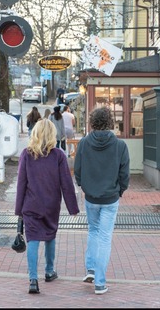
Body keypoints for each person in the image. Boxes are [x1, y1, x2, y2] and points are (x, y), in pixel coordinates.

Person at [14, 119, 80, 295]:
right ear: (52, 135)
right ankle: (49, 271)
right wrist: (73, 208)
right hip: (51, 205)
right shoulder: (58, 155)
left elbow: (21, 183)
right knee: (50, 236)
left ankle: (33, 279)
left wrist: (18, 209)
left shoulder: (26, 154)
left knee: (33, 239)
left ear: (35, 133)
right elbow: (66, 183)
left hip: (31, 204)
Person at [73, 106, 130, 295]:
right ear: (110, 122)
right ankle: (100, 282)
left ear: (92, 122)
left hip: (91, 197)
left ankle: (90, 270)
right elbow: (124, 174)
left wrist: (84, 186)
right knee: (105, 237)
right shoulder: (120, 146)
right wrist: (120, 190)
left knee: (93, 231)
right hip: (111, 197)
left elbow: (78, 170)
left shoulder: (83, 143)